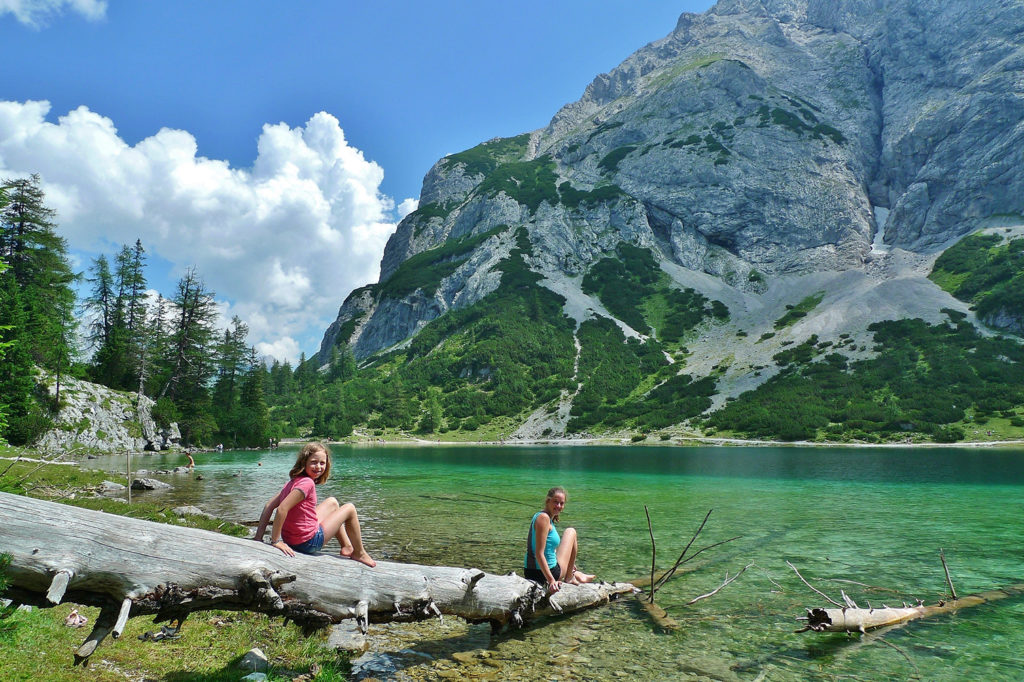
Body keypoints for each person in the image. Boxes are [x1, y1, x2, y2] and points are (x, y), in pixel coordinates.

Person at [254, 442, 375, 566]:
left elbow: (269, 505)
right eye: (313, 462)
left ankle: (347, 546)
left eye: (322, 463)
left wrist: (258, 537)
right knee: (350, 508)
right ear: (304, 462)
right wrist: (275, 541)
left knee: (333, 503)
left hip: (292, 539)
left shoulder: (292, 482)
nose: (318, 467)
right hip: (308, 542)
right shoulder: (307, 484)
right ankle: (359, 553)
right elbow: (281, 509)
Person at [524, 486, 595, 593]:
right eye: (555, 502)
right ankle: (570, 576)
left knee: (566, 538)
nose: (558, 506)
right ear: (548, 501)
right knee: (571, 532)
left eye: (561, 503)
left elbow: (548, 548)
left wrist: (566, 562)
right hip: (543, 574)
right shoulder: (544, 518)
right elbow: (539, 554)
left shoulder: (542, 516)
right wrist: (552, 581)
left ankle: (573, 573)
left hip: (533, 571)